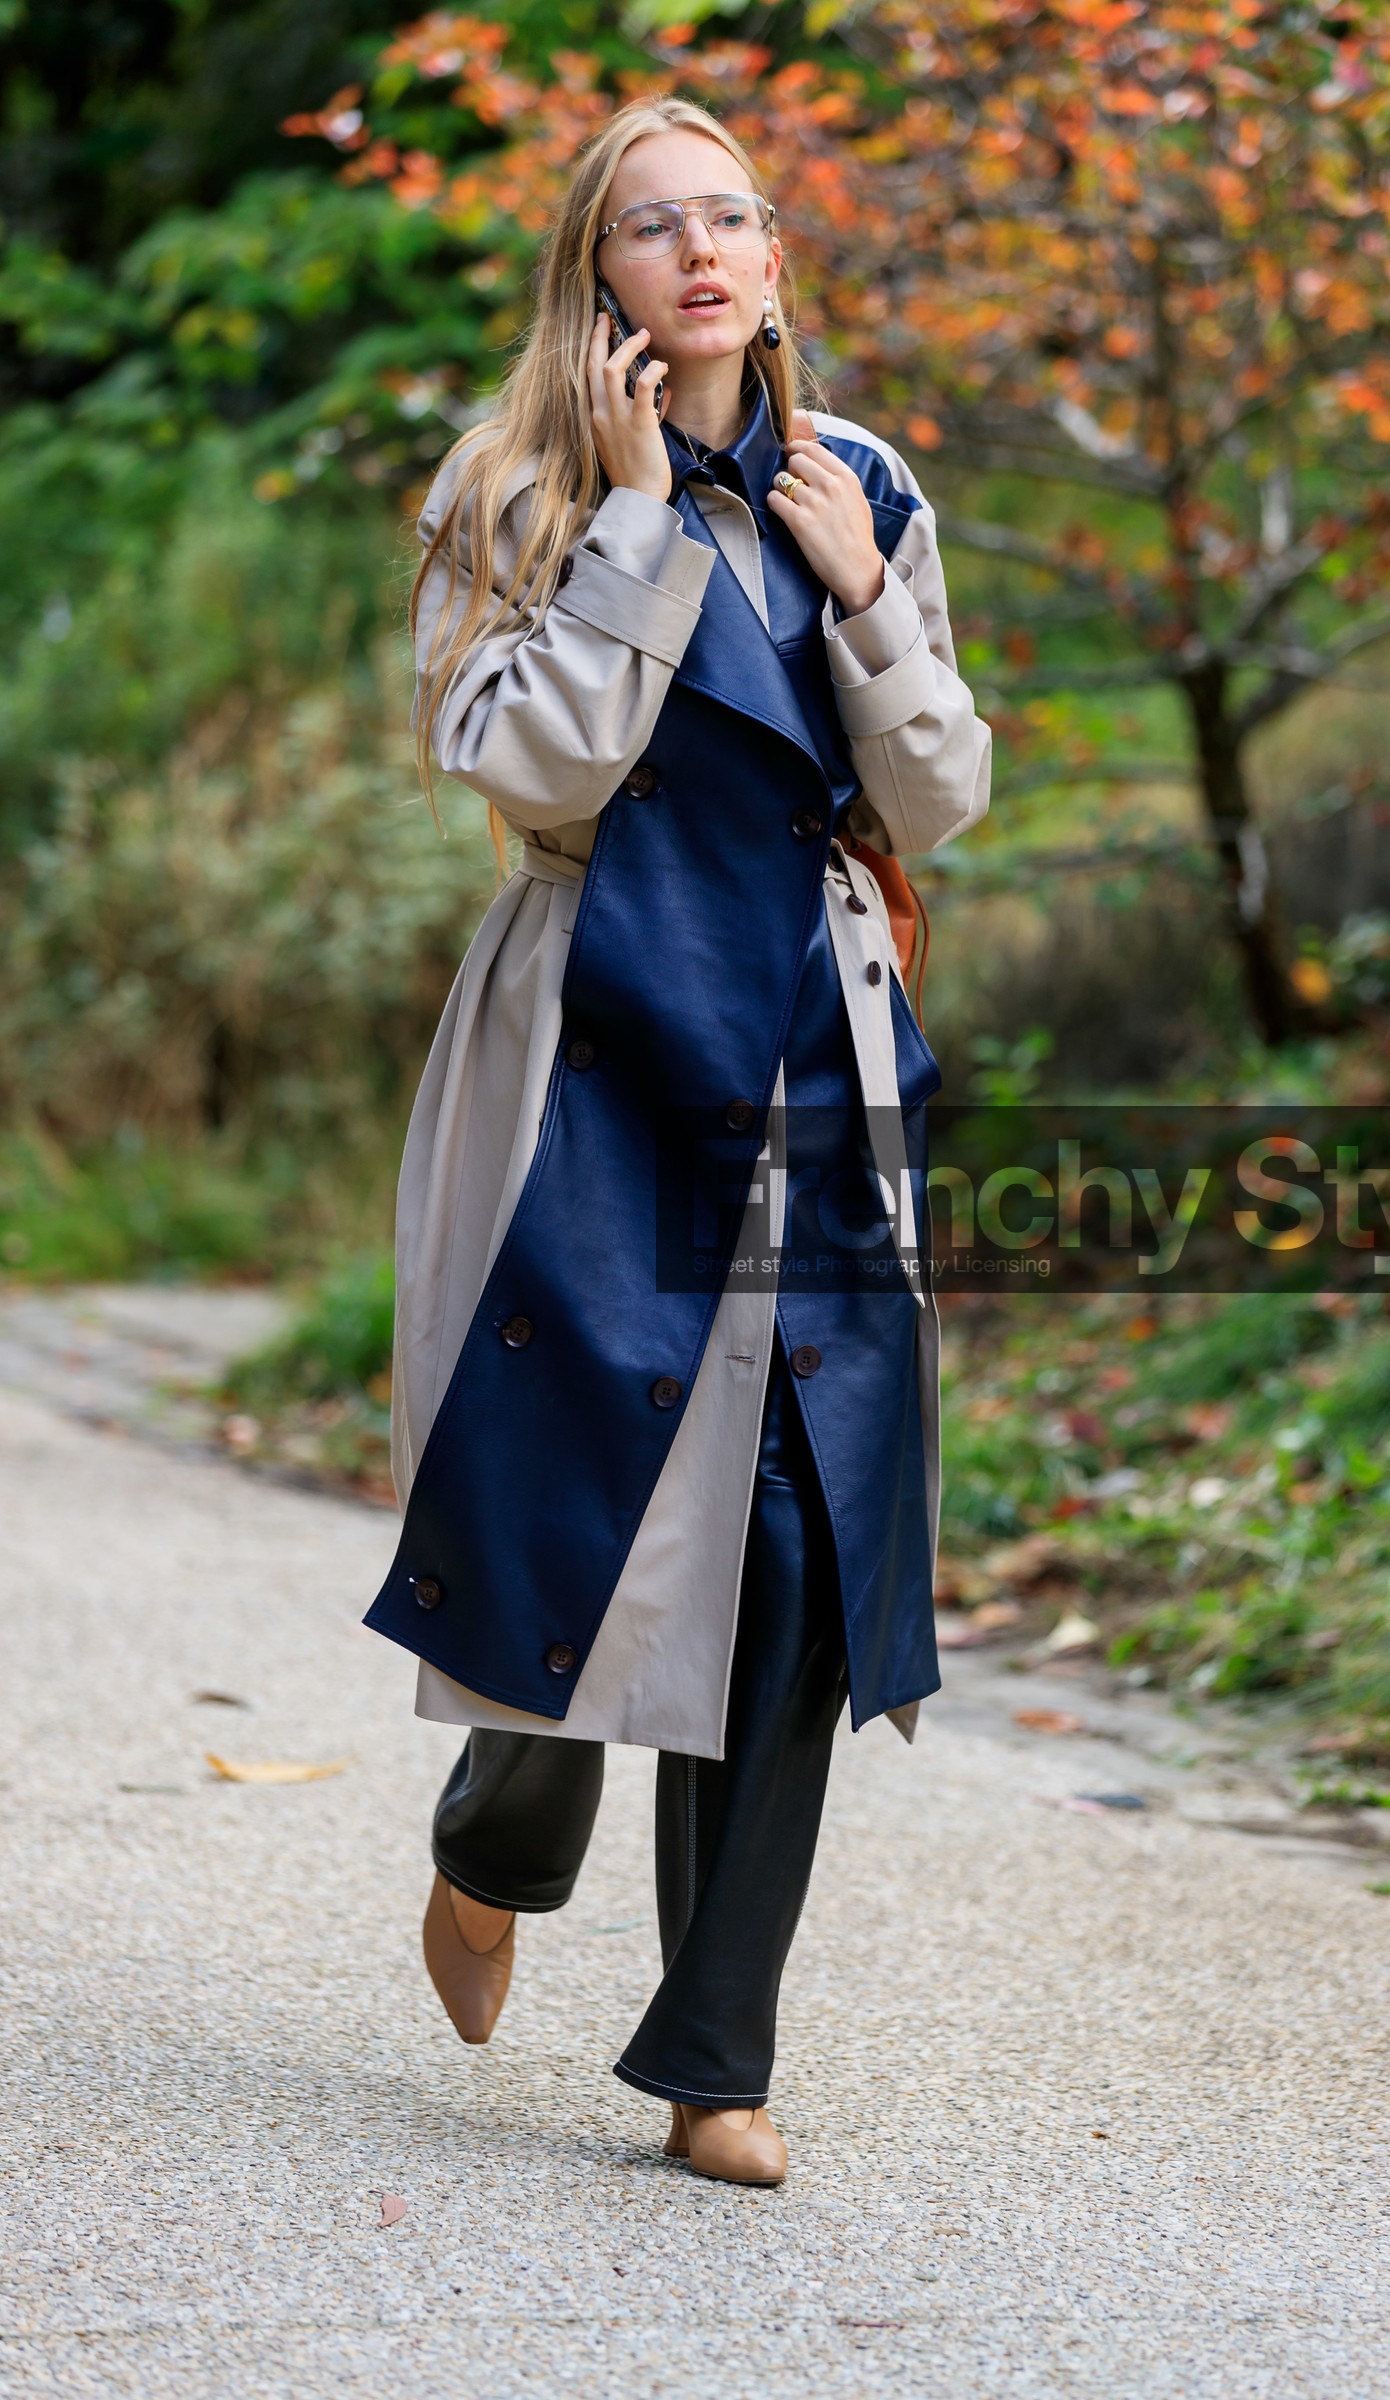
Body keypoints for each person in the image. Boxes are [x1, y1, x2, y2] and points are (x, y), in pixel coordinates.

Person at [364, 92, 990, 2188]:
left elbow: (938, 799)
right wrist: (637, 527)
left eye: (734, 216)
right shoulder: (513, 486)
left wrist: (863, 597)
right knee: (583, 1488)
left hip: (812, 1030)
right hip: (599, 1032)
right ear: (597, 272)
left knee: (800, 1531)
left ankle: (716, 2060)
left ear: (775, 258)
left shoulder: (861, 482)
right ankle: (498, 1836)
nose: (703, 251)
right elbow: (526, 761)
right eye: (656, 224)